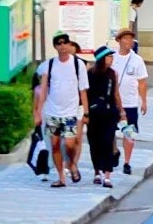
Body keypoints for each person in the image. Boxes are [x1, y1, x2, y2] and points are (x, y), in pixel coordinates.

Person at [35, 34, 89, 187]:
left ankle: (72, 164)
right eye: (59, 44)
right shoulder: (49, 65)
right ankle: (61, 177)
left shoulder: (78, 65)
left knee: (70, 144)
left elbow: (83, 90)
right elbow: (43, 89)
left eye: (65, 43)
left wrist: (86, 111)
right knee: (55, 144)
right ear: (55, 47)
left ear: (69, 44)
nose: (62, 46)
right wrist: (39, 112)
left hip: (71, 112)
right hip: (53, 112)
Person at [111, 28, 149, 175]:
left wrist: (143, 101)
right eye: (125, 38)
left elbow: (142, 83)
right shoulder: (112, 58)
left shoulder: (137, 60)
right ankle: (114, 151)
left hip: (130, 102)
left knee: (129, 133)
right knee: (110, 131)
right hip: (113, 102)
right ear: (119, 40)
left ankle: (127, 162)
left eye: (131, 39)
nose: (129, 41)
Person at [85, 47, 122, 188]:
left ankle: (107, 174)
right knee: (94, 143)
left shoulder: (113, 74)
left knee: (108, 141)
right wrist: (86, 113)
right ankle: (96, 172)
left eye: (112, 56)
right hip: (94, 113)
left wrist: (121, 111)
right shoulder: (90, 73)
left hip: (109, 111)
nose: (111, 59)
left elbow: (116, 94)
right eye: (109, 56)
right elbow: (85, 94)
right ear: (102, 58)